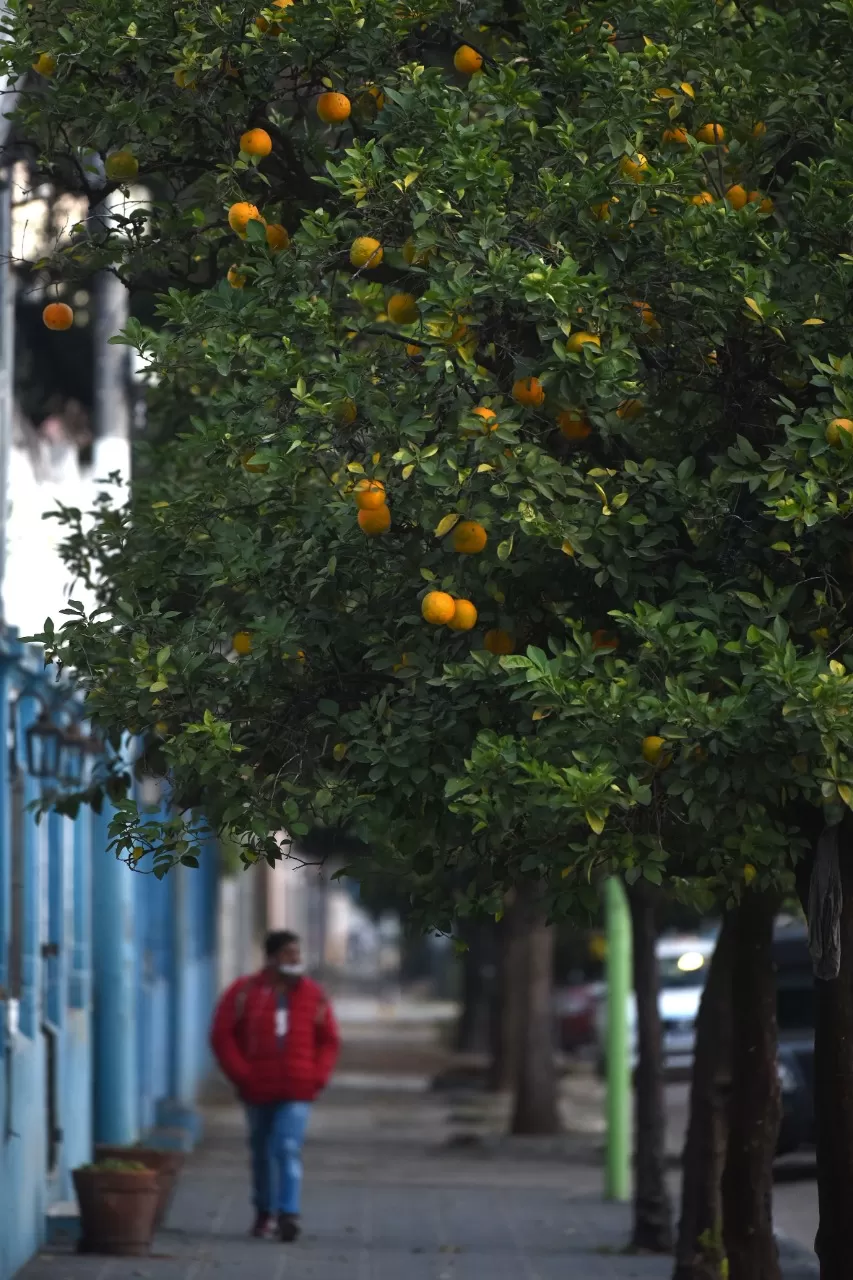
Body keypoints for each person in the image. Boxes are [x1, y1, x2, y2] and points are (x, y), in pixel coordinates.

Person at [210, 930, 340, 1242]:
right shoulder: (244, 993)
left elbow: (329, 1040)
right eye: (287, 954)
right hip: (257, 1089)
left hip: (298, 1088)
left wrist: (317, 1076)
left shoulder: (313, 995)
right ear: (271, 957)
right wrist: (243, 1074)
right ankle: (264, 1211)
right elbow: (222, 1036)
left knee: (287, 1147)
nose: (295, 959)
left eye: (297, 953)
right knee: (260, 1151)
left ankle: (288, 1212)